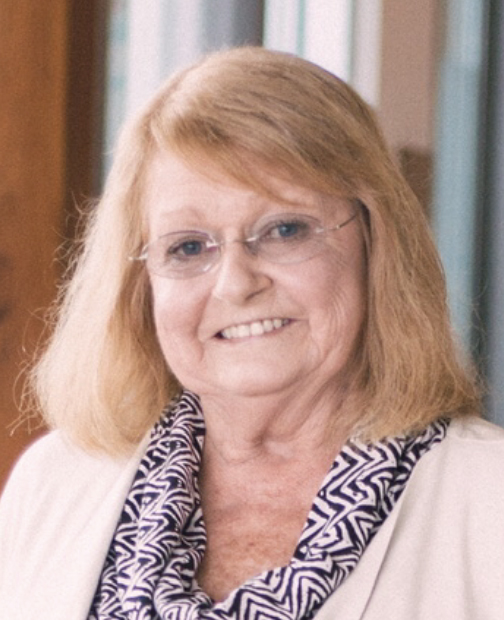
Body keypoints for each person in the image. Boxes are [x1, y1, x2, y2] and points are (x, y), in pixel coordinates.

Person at [0, 46, 503, 620]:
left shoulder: (490, 499)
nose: (235, 284)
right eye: (189, 247)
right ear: (140, 286)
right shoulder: (54, 483)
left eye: (285, 230)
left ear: (375, 242)